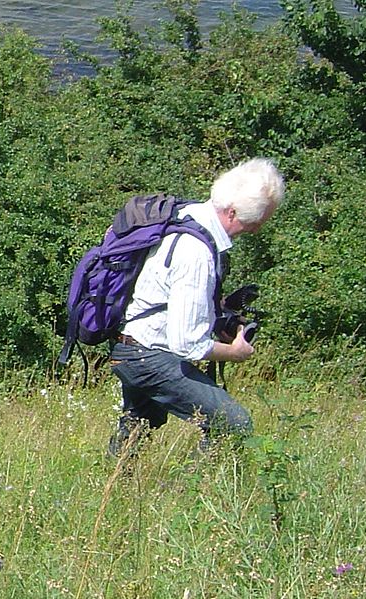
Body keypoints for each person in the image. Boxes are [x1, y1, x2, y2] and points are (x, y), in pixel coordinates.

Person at [108, 157, 285, 454]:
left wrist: (221, 318)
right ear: (231, 212)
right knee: (233, 424)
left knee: (138, 424)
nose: (254, 231)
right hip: (150, 355)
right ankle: (190, 495)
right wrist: (234, 352)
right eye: (254, 222)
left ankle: (113, 489)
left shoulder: (186, 216)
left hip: (130, 345)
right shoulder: (196, 252)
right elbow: (186, 344)